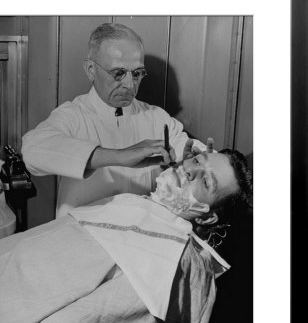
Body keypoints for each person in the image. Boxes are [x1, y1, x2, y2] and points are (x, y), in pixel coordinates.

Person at [0, 147, 252, 323]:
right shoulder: (131, 202)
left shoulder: (173, 261)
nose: (190, 170)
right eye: (196, 159)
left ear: (208, 219)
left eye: (206, 181)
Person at [22, 22, 207, 217]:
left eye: (136, 74)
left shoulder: (155, 118)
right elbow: (32, 150)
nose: (129, 85)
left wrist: (199, 160)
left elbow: (193, 152)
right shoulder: (74, 115)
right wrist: (119, 155)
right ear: (91, 69)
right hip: (82, 237)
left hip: (139, 234)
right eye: (118, 73)